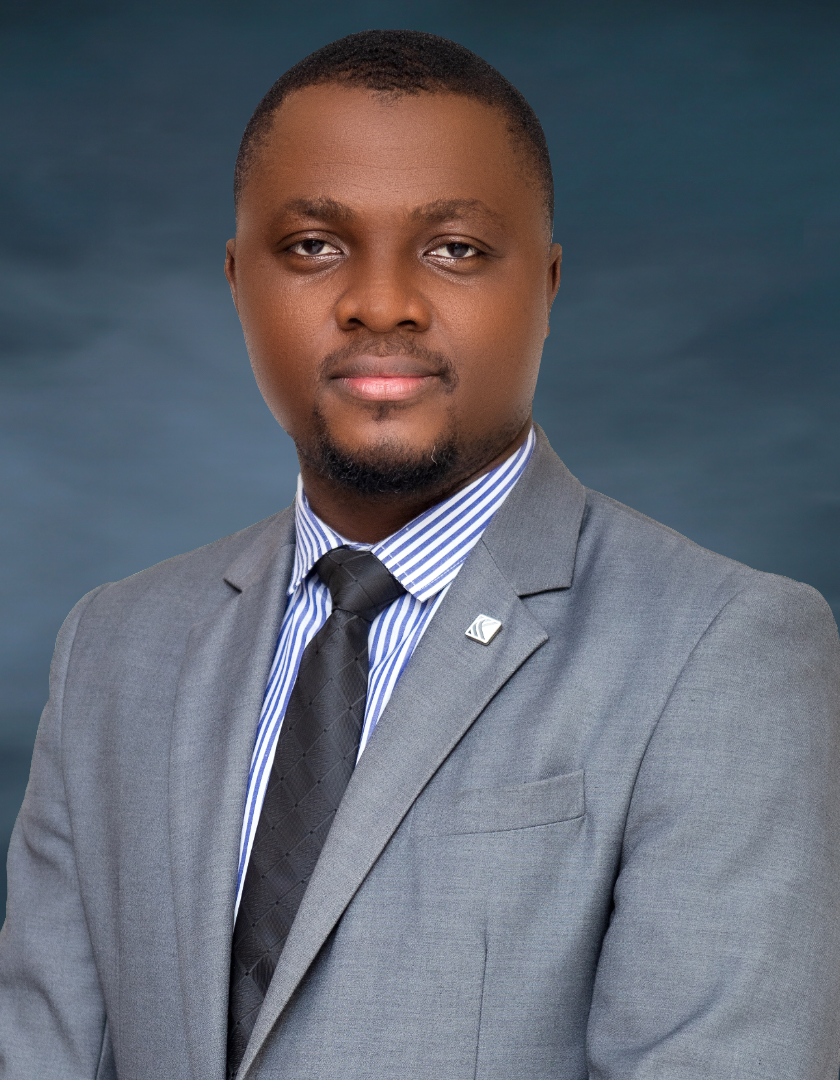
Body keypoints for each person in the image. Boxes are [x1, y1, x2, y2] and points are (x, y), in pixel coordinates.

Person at [1, 28, 839, 1080]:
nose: (381, 302)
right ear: (235, 279)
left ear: (546, 283)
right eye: (313, 245)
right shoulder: (115, 648)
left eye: (454, 249)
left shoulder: (722, 650)